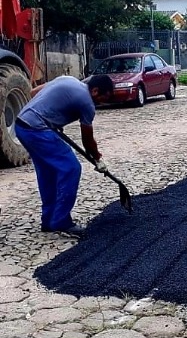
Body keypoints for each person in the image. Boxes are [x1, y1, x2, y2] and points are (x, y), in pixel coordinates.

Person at [15, 74, 114, 236]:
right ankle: (61, 221)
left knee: (48, 173)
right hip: (37, 130)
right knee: (71, 168)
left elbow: (34, 92)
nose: (103, 102)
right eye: (105, 97)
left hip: (22, 127)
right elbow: (87, 140)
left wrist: (52, 116)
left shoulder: (68, 80)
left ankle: (48, 221)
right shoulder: (87, 103)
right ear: (95, 91)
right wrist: (97, 159)